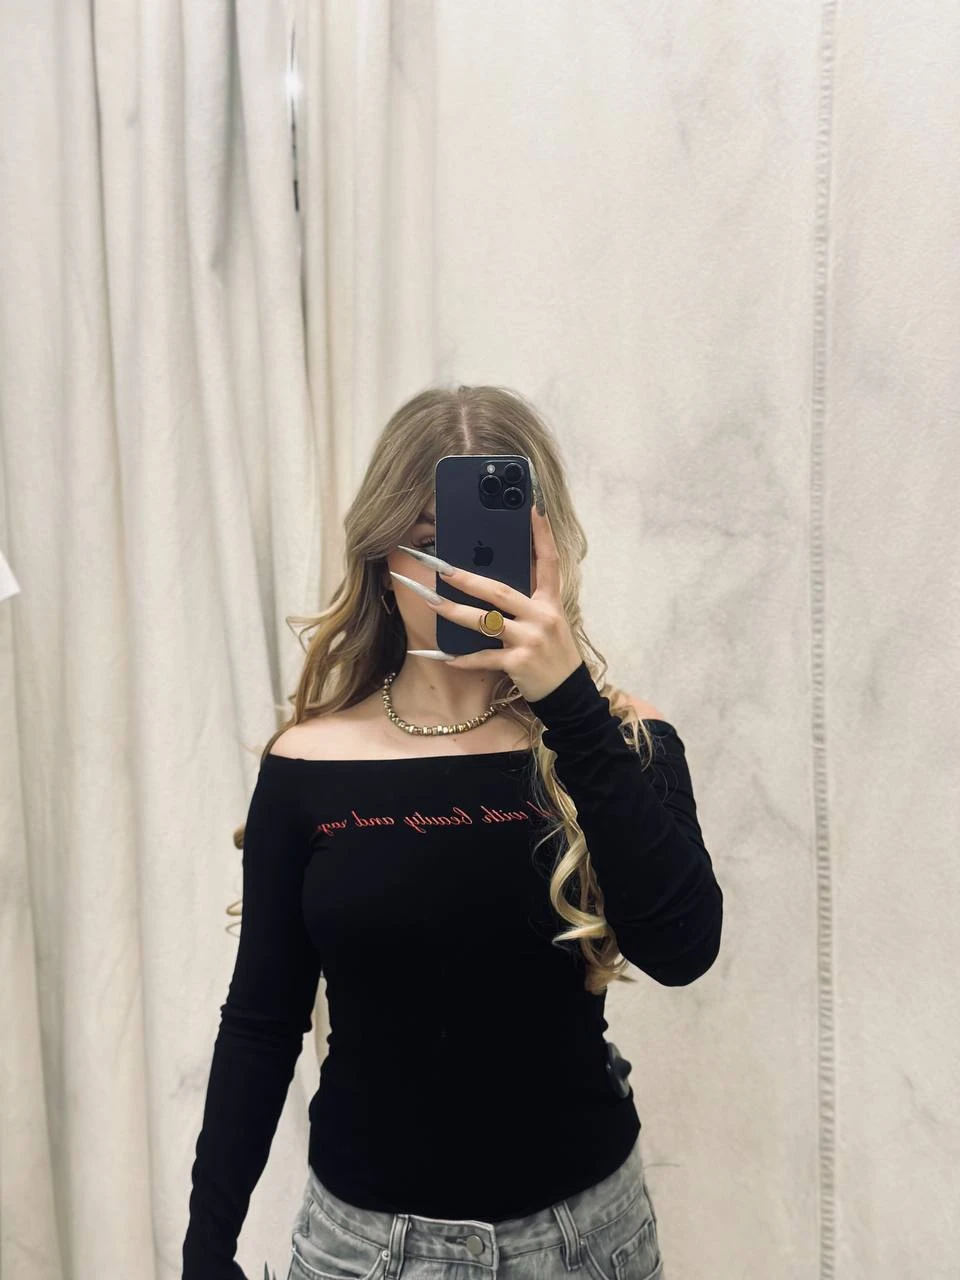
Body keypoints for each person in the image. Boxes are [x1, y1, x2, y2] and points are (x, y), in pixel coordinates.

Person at [181, 385, 723, 1279]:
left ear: (546, 556)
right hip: (365, 1253)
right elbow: (262, 1021)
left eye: (489, 546)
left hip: (586, 1244)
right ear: (380, 554)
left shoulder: (618, 741)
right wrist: (207, 1249)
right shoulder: (308, 765)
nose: (460, 577)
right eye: (429, 543)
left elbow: (684, 949)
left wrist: (571, 708)